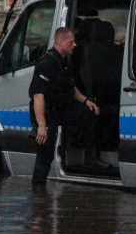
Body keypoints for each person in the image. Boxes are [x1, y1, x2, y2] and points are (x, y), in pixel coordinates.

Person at [28, 27, 104, 184]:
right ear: (60, 42)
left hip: (61, 109)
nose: (75, 45)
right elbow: (38, 96)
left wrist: (85, 101)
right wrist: (41, 126)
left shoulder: (64, 62)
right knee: (45, 157)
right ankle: (38, 192)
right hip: (46, 114)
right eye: (71, 42)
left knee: (90, 112)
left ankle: (90, 158)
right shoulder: (46, 64)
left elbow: (71, 87)